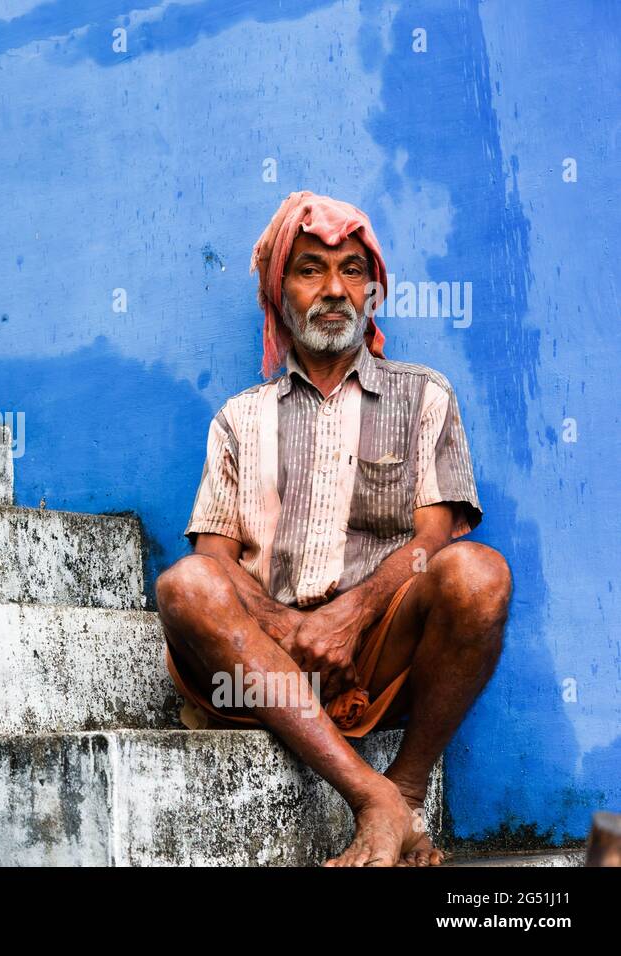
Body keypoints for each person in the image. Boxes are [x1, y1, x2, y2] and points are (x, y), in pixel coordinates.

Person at [156, 191, 511, 867]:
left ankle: (403, 790)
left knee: (480, 575)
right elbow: (213, 554)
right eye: (310, 269)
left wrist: (352, 614)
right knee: (185, 585)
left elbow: (432, 541)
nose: (334, 290)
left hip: (374, 653)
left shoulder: (423, 395)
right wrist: (285, 626)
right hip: (260, 659)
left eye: (352, 270)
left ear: (372, 293)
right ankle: (375, 800)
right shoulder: (240, 418)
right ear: (278, 292)